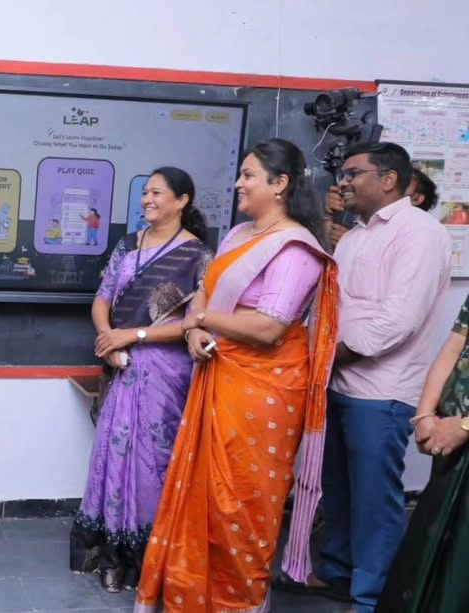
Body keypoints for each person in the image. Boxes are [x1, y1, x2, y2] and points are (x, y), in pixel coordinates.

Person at [135, 138, 340, 612]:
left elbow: (270, 327)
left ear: (280, 184)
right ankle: (192, 596)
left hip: (262, 392)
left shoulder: (296, 246)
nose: (238, 183)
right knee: (202, 497)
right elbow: (203, 295)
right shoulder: (236, 235)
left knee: (241, 504)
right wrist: (193, 332)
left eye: (248, 175)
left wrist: (197, 322)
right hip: (218, 372)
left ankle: (236, 602)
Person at [290, 142, 451, 613]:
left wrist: (328, 359)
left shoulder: (418, 233)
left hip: (381, 392)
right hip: (338, 384)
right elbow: (332, 306)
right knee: (336, 488)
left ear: (388, 180)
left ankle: (372, 598)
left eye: (355, 173)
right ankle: (338, 573)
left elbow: (395, 321)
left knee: (374, 500)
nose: (345, 181)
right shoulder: (357, 234)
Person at [69, 167, 213, 592]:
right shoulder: (128, 245)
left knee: (152, 461)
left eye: (156, 192)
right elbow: (103, 300)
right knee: (112, 455)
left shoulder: (197, 256)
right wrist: (108, 339)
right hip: (121, 364)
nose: (147, 199)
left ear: (182, 200)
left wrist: (133, 334)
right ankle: (110, 553)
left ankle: (146, 558)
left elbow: (194, 322)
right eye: (145, 192)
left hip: (163, 373)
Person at [375, 294, 469, 611]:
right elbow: (453, 349)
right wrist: (426, 415)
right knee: (430, 557)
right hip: (450, 446)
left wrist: (465, 427)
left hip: (459, 434)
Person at [325, 166, 438, 249]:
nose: (389, 188)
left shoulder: (421, 234)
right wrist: (328, 215)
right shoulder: (361, 221)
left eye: (401, 185)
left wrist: (352, 244)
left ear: (416, 198)